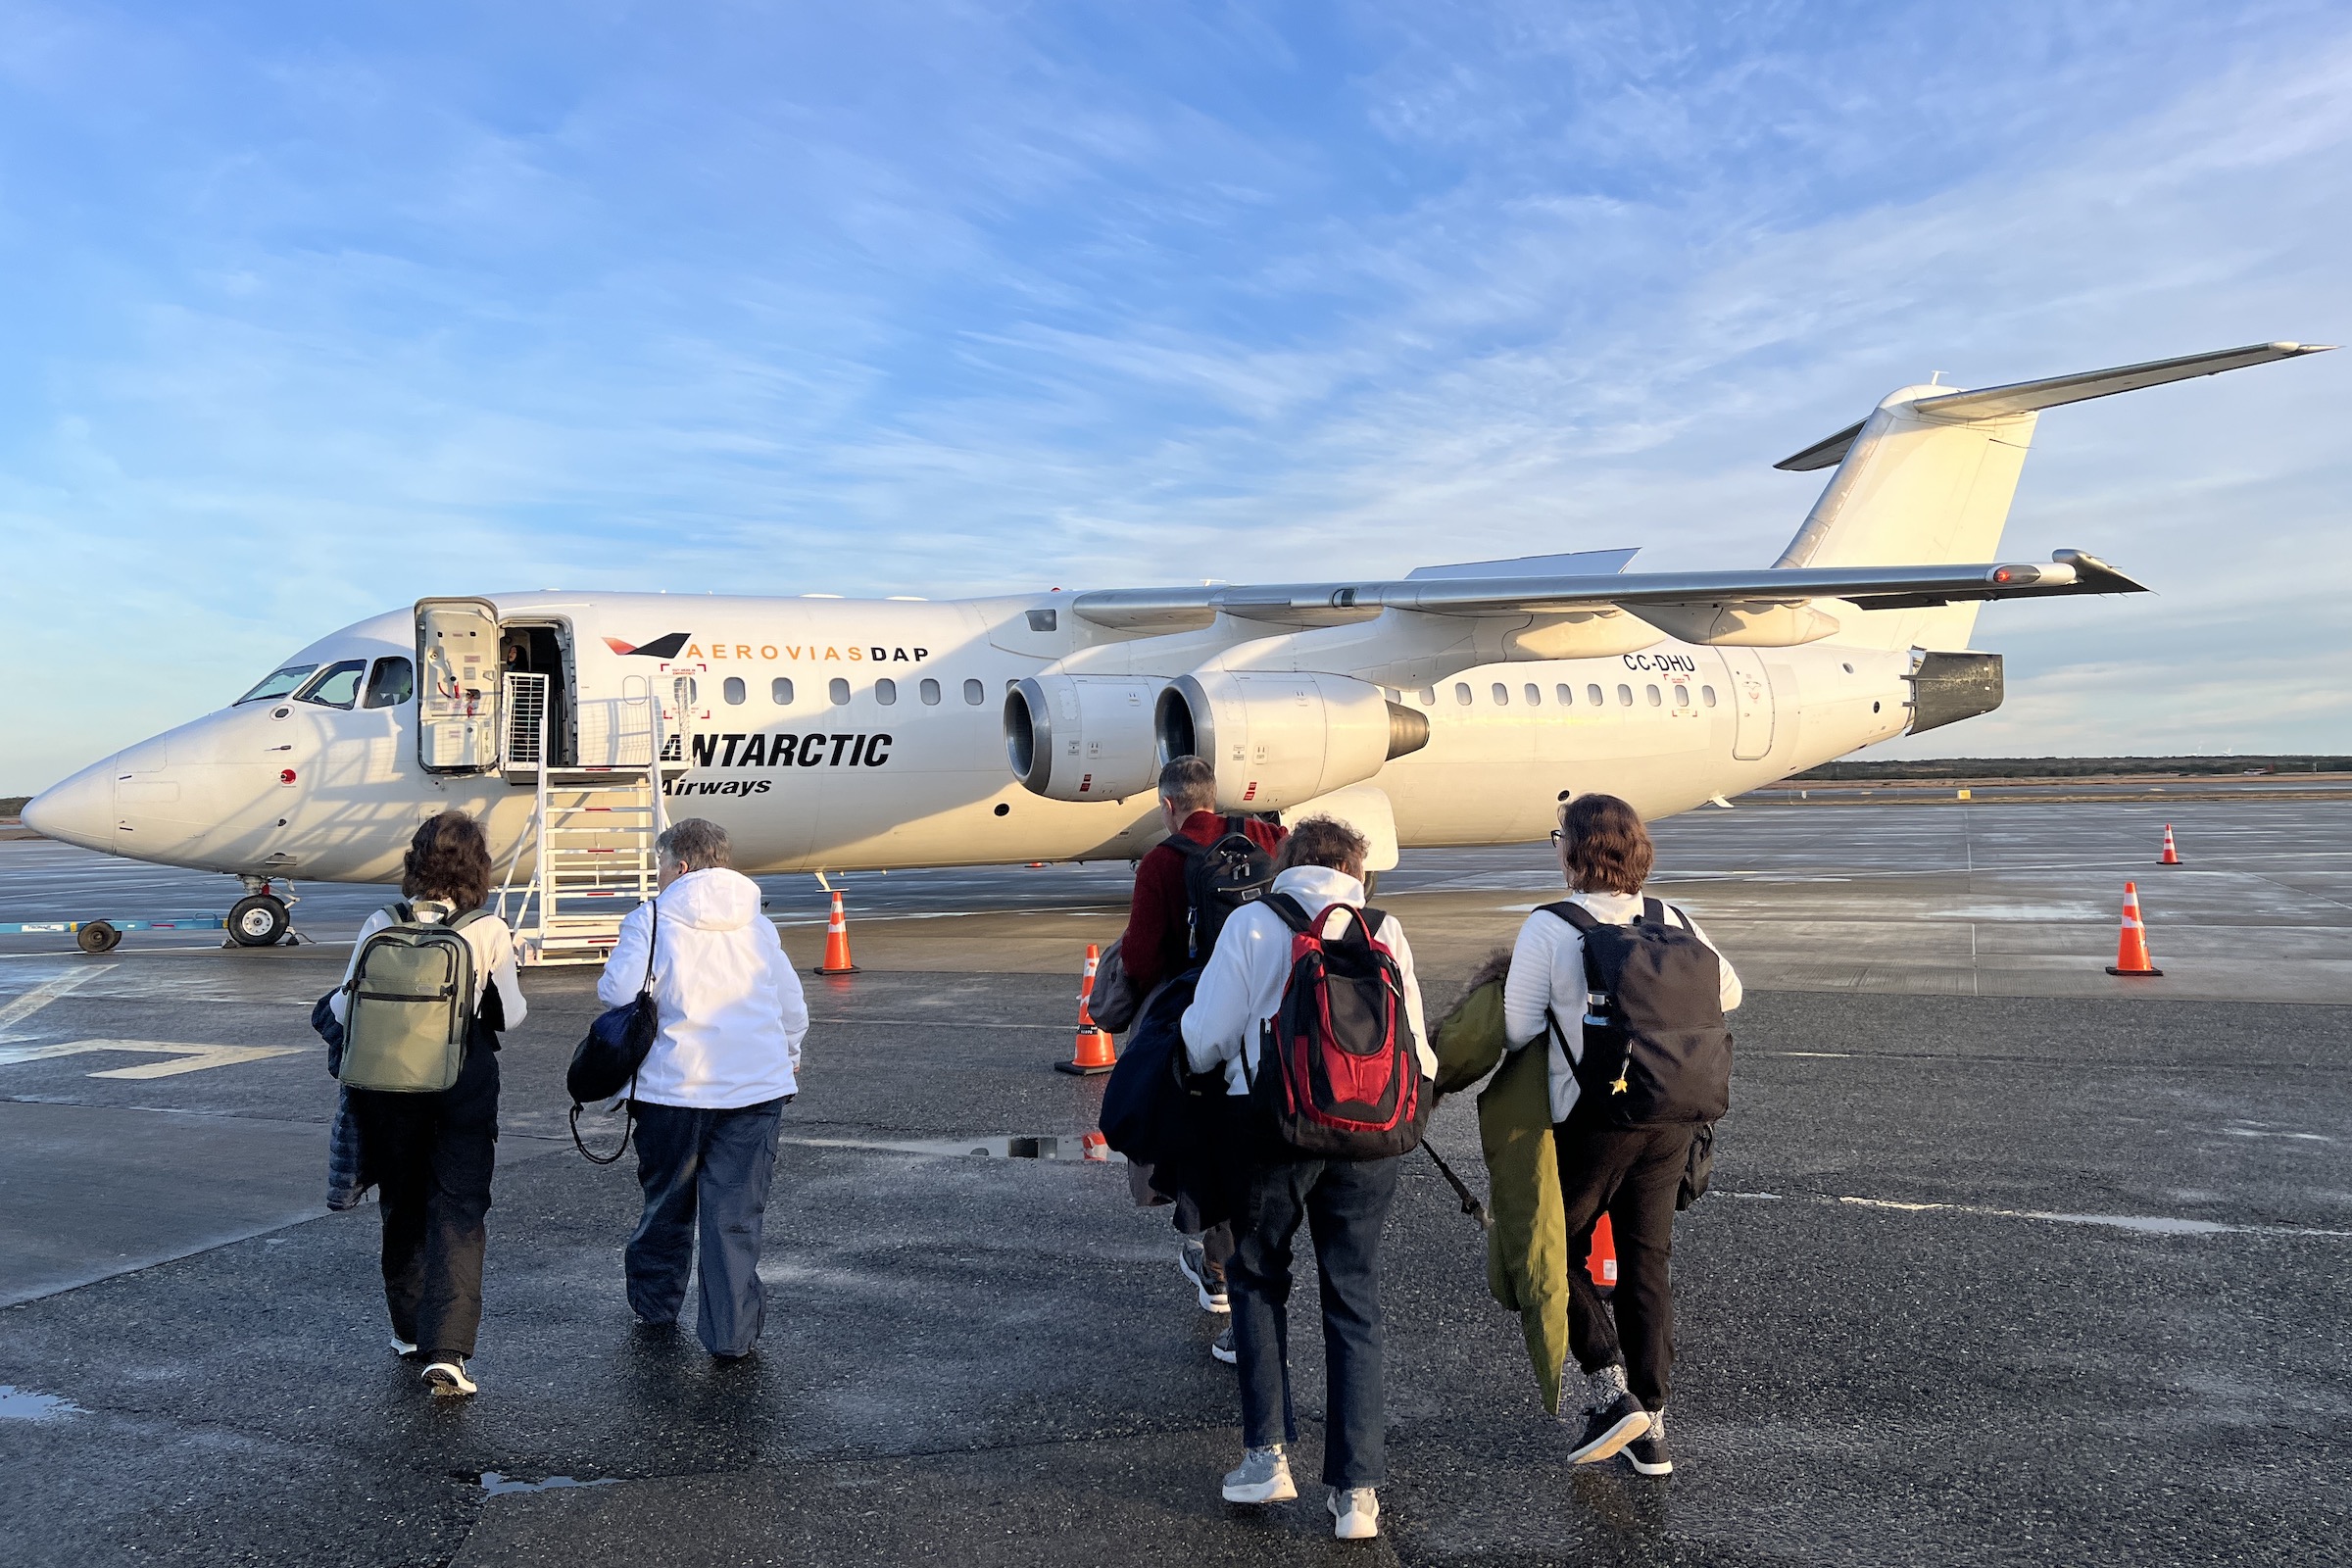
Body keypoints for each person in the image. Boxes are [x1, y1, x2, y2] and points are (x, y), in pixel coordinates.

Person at [1180, 815, 1433, 1542]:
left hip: (1270, 1130)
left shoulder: (1255, 922)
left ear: (1285, 861)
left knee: (1259, 1280)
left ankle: (1266, 1458)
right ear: (1357, 868)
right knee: (1354, 1296)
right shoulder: (1384, 929)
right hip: (1370, 1135)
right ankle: (1357, 1493)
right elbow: (1416, 1044)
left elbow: (1206, 1037)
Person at [1503, 793, 1741, 1478]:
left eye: (1558, 837)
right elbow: (1730, 990)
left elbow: (1519, 1028)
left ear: (1574, 851)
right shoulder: (1672, 917)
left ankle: (1609, 1390)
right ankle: (1653, 1424)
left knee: (1547, 1249)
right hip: (1674, 1115)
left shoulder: (1552, 926)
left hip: (1594, 1117)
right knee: (1646, 1260)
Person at [599, 817, 808, 1359]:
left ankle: (656, 1304)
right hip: (755, 1091)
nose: (658, 874)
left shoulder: (650, 919)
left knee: (666, 1202)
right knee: (733, 1216)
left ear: (682, 865)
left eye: (661, 864)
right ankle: (730, 1337)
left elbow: (617, 990)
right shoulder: (757, 924)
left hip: (673, 1090)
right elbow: (791, 1007)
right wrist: (789, 1056)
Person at [333, 811, 525, 1397]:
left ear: (416, 860)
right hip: (461, 1083)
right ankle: (448, 1352)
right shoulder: (486, 929)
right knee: (460, 1210)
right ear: (478, 865)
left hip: (388, 1087)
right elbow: (511, 1015)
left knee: (404, 1203)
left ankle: (409, 1330)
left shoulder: (380, 921)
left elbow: (344, 1011)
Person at [1116, 756, 1286, 1336]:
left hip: (1200, 1019)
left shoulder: (1163, 861)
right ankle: (1236, 1268)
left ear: (1168, 805)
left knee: (1206, 1144)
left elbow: (1141, 959)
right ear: (1215, 796)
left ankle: (1221, 1276)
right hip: (1269, 1016)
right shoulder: (1268, 837)